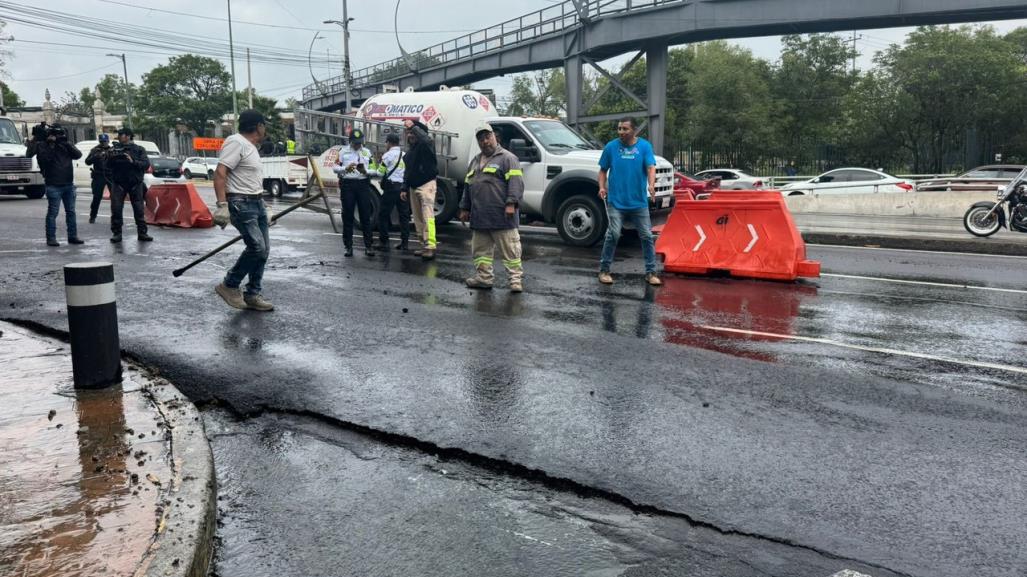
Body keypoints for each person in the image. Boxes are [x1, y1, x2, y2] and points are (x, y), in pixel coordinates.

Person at [212, 109, 274, 312]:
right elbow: (220, 173)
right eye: (264, 125)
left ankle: (253, 294)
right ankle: (229, 285)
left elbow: (249, 180)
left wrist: (264, 205)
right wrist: (222, 205)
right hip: (241, 203)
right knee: (257, 248)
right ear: (259, 126)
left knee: (263, 252)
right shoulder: (236, 142)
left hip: (255, 203)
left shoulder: (250, 147)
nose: (264, 129)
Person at [458, 123, 525, 293]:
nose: (485, 141)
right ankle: (484, 278)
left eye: (488, 137)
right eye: (481, 139)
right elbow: (468, 186)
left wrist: (511, 203)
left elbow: (516, 183)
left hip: (502, 216)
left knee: (511, 251)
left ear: (495, 137)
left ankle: (515, 280)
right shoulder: (475, 161)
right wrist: (465, 208)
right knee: (480, 251)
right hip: (480, 217)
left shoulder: (507, 158)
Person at [597, 117, 661, 286]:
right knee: (614, 234)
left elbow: (650, 167)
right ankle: (604, 270)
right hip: (616, 201)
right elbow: (603, 170)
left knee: (647, 236)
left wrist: (652, 185)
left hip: (638, 202)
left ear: (634, 130)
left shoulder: (644, 147)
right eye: (619, 128)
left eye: (625, 129)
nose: (621, 132)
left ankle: (651, 272)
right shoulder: (611, 147)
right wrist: (602, 187)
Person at [26, 123, 83, 247]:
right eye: (56, 134)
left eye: (60, 134)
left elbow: (78, 155)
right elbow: (34, 156)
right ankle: (51, 238)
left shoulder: (65, 144)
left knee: (71, 212)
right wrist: (49, 144)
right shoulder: (42, 145)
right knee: (53, 213)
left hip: (68, 183)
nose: (58, 136)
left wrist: (65, 142)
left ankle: (73, 236)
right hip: (53, 184)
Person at [332, 129, 376, 258]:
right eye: (355, 143)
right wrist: (344, 168)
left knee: (365, 216)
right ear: (350, 141)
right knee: (348, 216)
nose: (357, 145)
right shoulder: (343, 152)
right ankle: (348, 246)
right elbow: (335, 168)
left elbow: (374, 170)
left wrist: (365, 171)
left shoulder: (367, 152)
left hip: (363, 185)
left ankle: (368, 246)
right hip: (348, 186)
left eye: (359, 143)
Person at [106, 128, 153, 243]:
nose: (120, 136)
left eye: (121, 134)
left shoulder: (139, 149)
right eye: (119, 134)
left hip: (135, 183)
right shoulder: (114, 149)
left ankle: (142, 233)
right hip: (118, 183)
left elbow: (146, 165)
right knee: (116, 209)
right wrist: (110, 156)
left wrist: (133, 161)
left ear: (128, 136)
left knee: (139, 209)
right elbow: (107, 166)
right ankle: (117, 233)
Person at [401, 119, 439, 260]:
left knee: (428, 216)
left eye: (412, 133)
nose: (410, 135)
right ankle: (424, 245)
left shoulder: (426, 145)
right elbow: (408, 171)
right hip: (413, 186)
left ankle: (430, 246)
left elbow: (425, 140)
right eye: (408, 133)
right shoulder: (411, 151)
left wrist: (414, 127)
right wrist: (404, 187)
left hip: (427, 184)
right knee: (417, 218)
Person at [375, 133, 410, 251]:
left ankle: (384, 242)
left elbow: (380, 172)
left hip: (390, 188)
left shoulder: (387, 156)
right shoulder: (405, 155)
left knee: (383, 215)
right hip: (403, 189)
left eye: (386, 143)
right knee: (404, 216)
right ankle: (404, 243)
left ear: (389, 143)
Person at [85, 133, 112, 224]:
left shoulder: (112, 149)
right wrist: (96, 157)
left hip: (110, 175)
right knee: (97, 197)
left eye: (105, 141)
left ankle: (116, 216)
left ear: (108, 141)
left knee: (116, 197)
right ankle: (93, 216)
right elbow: (87, 161)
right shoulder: (95, 150)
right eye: (102, 141)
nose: (104, 143)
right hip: (99, 175)